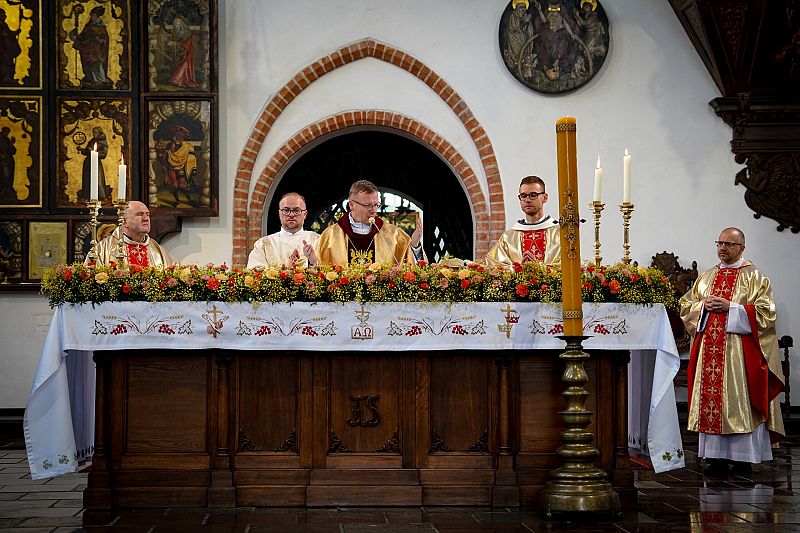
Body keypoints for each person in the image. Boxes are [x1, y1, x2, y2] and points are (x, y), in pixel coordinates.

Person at [679, 227, 785, 477]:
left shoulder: (755, 277)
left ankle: (742, 459)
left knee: (740, 402)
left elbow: (766, 315)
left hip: (740, 355)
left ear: (741, 248)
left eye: (729, 244)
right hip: (710, 353)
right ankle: (715, 458)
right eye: (719, 243)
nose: (722, 248)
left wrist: (732, 307)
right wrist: (701, 307)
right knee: (712, 403)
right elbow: (686, 305)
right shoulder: (705, 277)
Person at [315, 179, 424, 266]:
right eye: (367, 205)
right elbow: (315, 268)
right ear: (351, 205)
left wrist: (414, 245)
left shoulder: (394, 235)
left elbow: (412, 268)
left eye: (376, 205)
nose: (373, 210)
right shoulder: (329, 236)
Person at [485, 175, 560, 266]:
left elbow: (568, 267)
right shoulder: (508, 238)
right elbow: (493, 266)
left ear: (545, 197)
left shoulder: (559, 234)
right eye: (523, 196)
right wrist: (519, 269)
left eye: (533, 195)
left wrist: (537, 268)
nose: (527, 200)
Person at [89, 200, 177, 267]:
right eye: (140, 214)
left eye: (147, 214)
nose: (146, 218)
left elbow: (176, 274)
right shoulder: (104, 249)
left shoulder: (157, 249)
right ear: (124, 221)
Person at [247, 192, 320, 268]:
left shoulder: (317, 240)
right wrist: (285, 270)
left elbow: (329, 270)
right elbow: (254, 274)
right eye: (286, 210)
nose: (291, 215)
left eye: (296, 210)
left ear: (305, 214)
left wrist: (313, 262)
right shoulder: (263, 244)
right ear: (280, 214)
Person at [69, 6, 109, 87]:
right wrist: (75, 36)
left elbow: (105, 39)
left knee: (95, 65)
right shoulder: (88, 26)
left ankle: (100, 81)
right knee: (88, 67)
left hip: (96, 52)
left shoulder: (101, 27)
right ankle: (90, 80)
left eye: (93, 15)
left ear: (97, 16)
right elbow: (82, 37)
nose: (91, 17)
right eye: (91, 15)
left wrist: (97, 39)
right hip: (87, 51)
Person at [158, 125, 197, 206]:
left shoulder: (187, 146)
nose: (178, 135)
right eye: (177, 134)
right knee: (175, 186)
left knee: (182, 186)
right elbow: (165, 156)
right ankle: (177, 201)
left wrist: (188, 164)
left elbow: (192, 157)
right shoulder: (170, 145)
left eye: (180, 134)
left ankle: (189, 200)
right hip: (171, 168)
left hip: (182, 168)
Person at [78, 126, 107, 202]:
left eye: (95, 132)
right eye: (93, 132)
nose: (94, 134)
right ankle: (87, 196)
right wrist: (82, 150)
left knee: (97, 179)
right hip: (88, 162)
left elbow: (103, 154)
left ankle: (100, 197)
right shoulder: (92, 141)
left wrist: (93, 152)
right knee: (87, 179)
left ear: (99, 133)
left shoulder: (102, 141)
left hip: (96, 163)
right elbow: (87, 151)